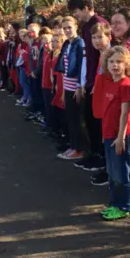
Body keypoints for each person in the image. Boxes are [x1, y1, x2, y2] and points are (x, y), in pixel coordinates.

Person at [67, 0, 109, 170]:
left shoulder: (99, 24)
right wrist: (82, 83)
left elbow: (105, 55)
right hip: (90, 81)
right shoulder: (85, 27)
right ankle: (93, 153)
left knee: (98, 122)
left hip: (100, 80)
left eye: (76, 11)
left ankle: (101, 158)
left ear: (85, 8)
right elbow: (86, 58)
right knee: (90, 119)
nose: (75, 15)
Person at [99, 46, 130, 221]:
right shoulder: (110, 83)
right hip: (108, 135)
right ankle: (114, 203)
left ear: (126, 64)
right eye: (112, 61)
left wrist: (121, 137)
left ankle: (124, 205)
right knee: (112, 173)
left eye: (119, 62)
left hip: (120, 136)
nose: (115, 65)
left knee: (121, 172)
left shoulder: (125, 85)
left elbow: (125, 113)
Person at [55, 16, 88, 161]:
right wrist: (63, 90)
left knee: (76, 120)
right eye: (65, 28)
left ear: (76, 26)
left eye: (69, 27)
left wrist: (79, 87)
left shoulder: (79, 43)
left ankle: (79, 149)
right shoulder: (67, 44)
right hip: (67, 87)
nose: (67, 30)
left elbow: (82, 67)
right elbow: (64, 69)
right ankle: (73, 146)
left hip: (75, 88)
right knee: (71, 119)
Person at [82, 22, 112, 176]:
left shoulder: (111, 55)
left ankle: (109, 170)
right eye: (94, 38)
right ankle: (105, 164)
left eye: (100, 37)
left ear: (109, 37)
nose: (96, 41)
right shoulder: (102, 55)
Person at [15, 29, 32, 107]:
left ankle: (27, 98)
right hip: (22, 65)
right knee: (23, 82)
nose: (21, 37)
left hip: (25, 66)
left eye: (23, 35)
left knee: (24, 82)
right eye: (20, 35)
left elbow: (27, 56)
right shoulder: (22, 44)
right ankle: (25, 97)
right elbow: (18, 54)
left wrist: (23, 54)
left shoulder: (27, 44)